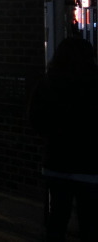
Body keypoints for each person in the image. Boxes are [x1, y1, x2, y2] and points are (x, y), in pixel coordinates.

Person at [28, 37, 98, 241]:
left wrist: (52, 136)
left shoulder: (49, 82)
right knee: (89, 218)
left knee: (57, 216)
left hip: (56, 161)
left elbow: (34, 118)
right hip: (89, 163)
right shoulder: (94, 83)